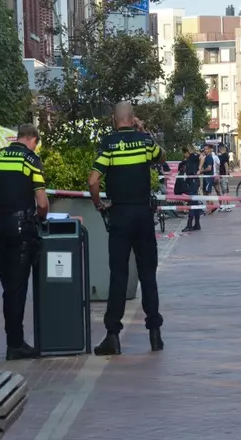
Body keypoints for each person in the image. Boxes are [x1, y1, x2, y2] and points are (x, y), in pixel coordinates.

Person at [88, 101, 164, 355]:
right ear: (132, 119)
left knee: (118, 275)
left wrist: (99, 203)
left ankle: (112, 336)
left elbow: (93, 180)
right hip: (143, 214)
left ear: (114, 119)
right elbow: (161, 157)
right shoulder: (144, 142)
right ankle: (155, 335)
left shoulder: (108, 145)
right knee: (148, 275)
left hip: (119, 215)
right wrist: (144, 132)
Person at [0, 124, 49, 360]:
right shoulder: (30, 159)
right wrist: (40, 218)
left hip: (1, 228)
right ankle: (16, 345)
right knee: (18, 289)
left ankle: (12, 339)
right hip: (23, 229)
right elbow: (42, 202)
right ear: (32, 138)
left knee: (8, 288)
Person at [182, 146, 203, 232]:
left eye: (184, 154)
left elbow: (202, 157)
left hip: (194, 181)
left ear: (186, 152)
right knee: (195, 203)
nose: (184, 156)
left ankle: (189, 224)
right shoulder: (189, 160)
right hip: (191, 181)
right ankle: (197, 224)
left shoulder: (193, 156)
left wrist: (199, 169)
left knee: (191, 202)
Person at [217, 144, 232, 212]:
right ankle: (227, 206)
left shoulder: (224, 156)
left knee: (224, 191)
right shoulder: (225, 155)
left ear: (220, 149)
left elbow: (226, 165)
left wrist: (226, 174)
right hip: (223, 175)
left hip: (223, 175)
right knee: (226, 191)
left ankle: (225, 206)